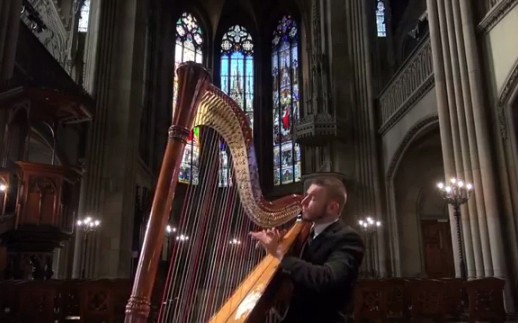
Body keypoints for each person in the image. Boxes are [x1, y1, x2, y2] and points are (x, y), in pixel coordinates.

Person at [250, 175, 364, 322]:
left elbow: (328, 279)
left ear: (332, 207)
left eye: (313, 199)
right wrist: (272, 249)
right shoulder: (304, 233)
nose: (303, 202)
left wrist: (279, 253)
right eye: (306, 196)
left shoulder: (348, 238)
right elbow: (291, 273)